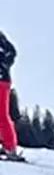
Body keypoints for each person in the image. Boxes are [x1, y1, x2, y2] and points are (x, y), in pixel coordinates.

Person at [0, 29, 21, 163]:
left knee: (2, 114)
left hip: (1, 80)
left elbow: (12, 52)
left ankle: (10, 147)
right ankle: (5, 144)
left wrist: (3, 65)